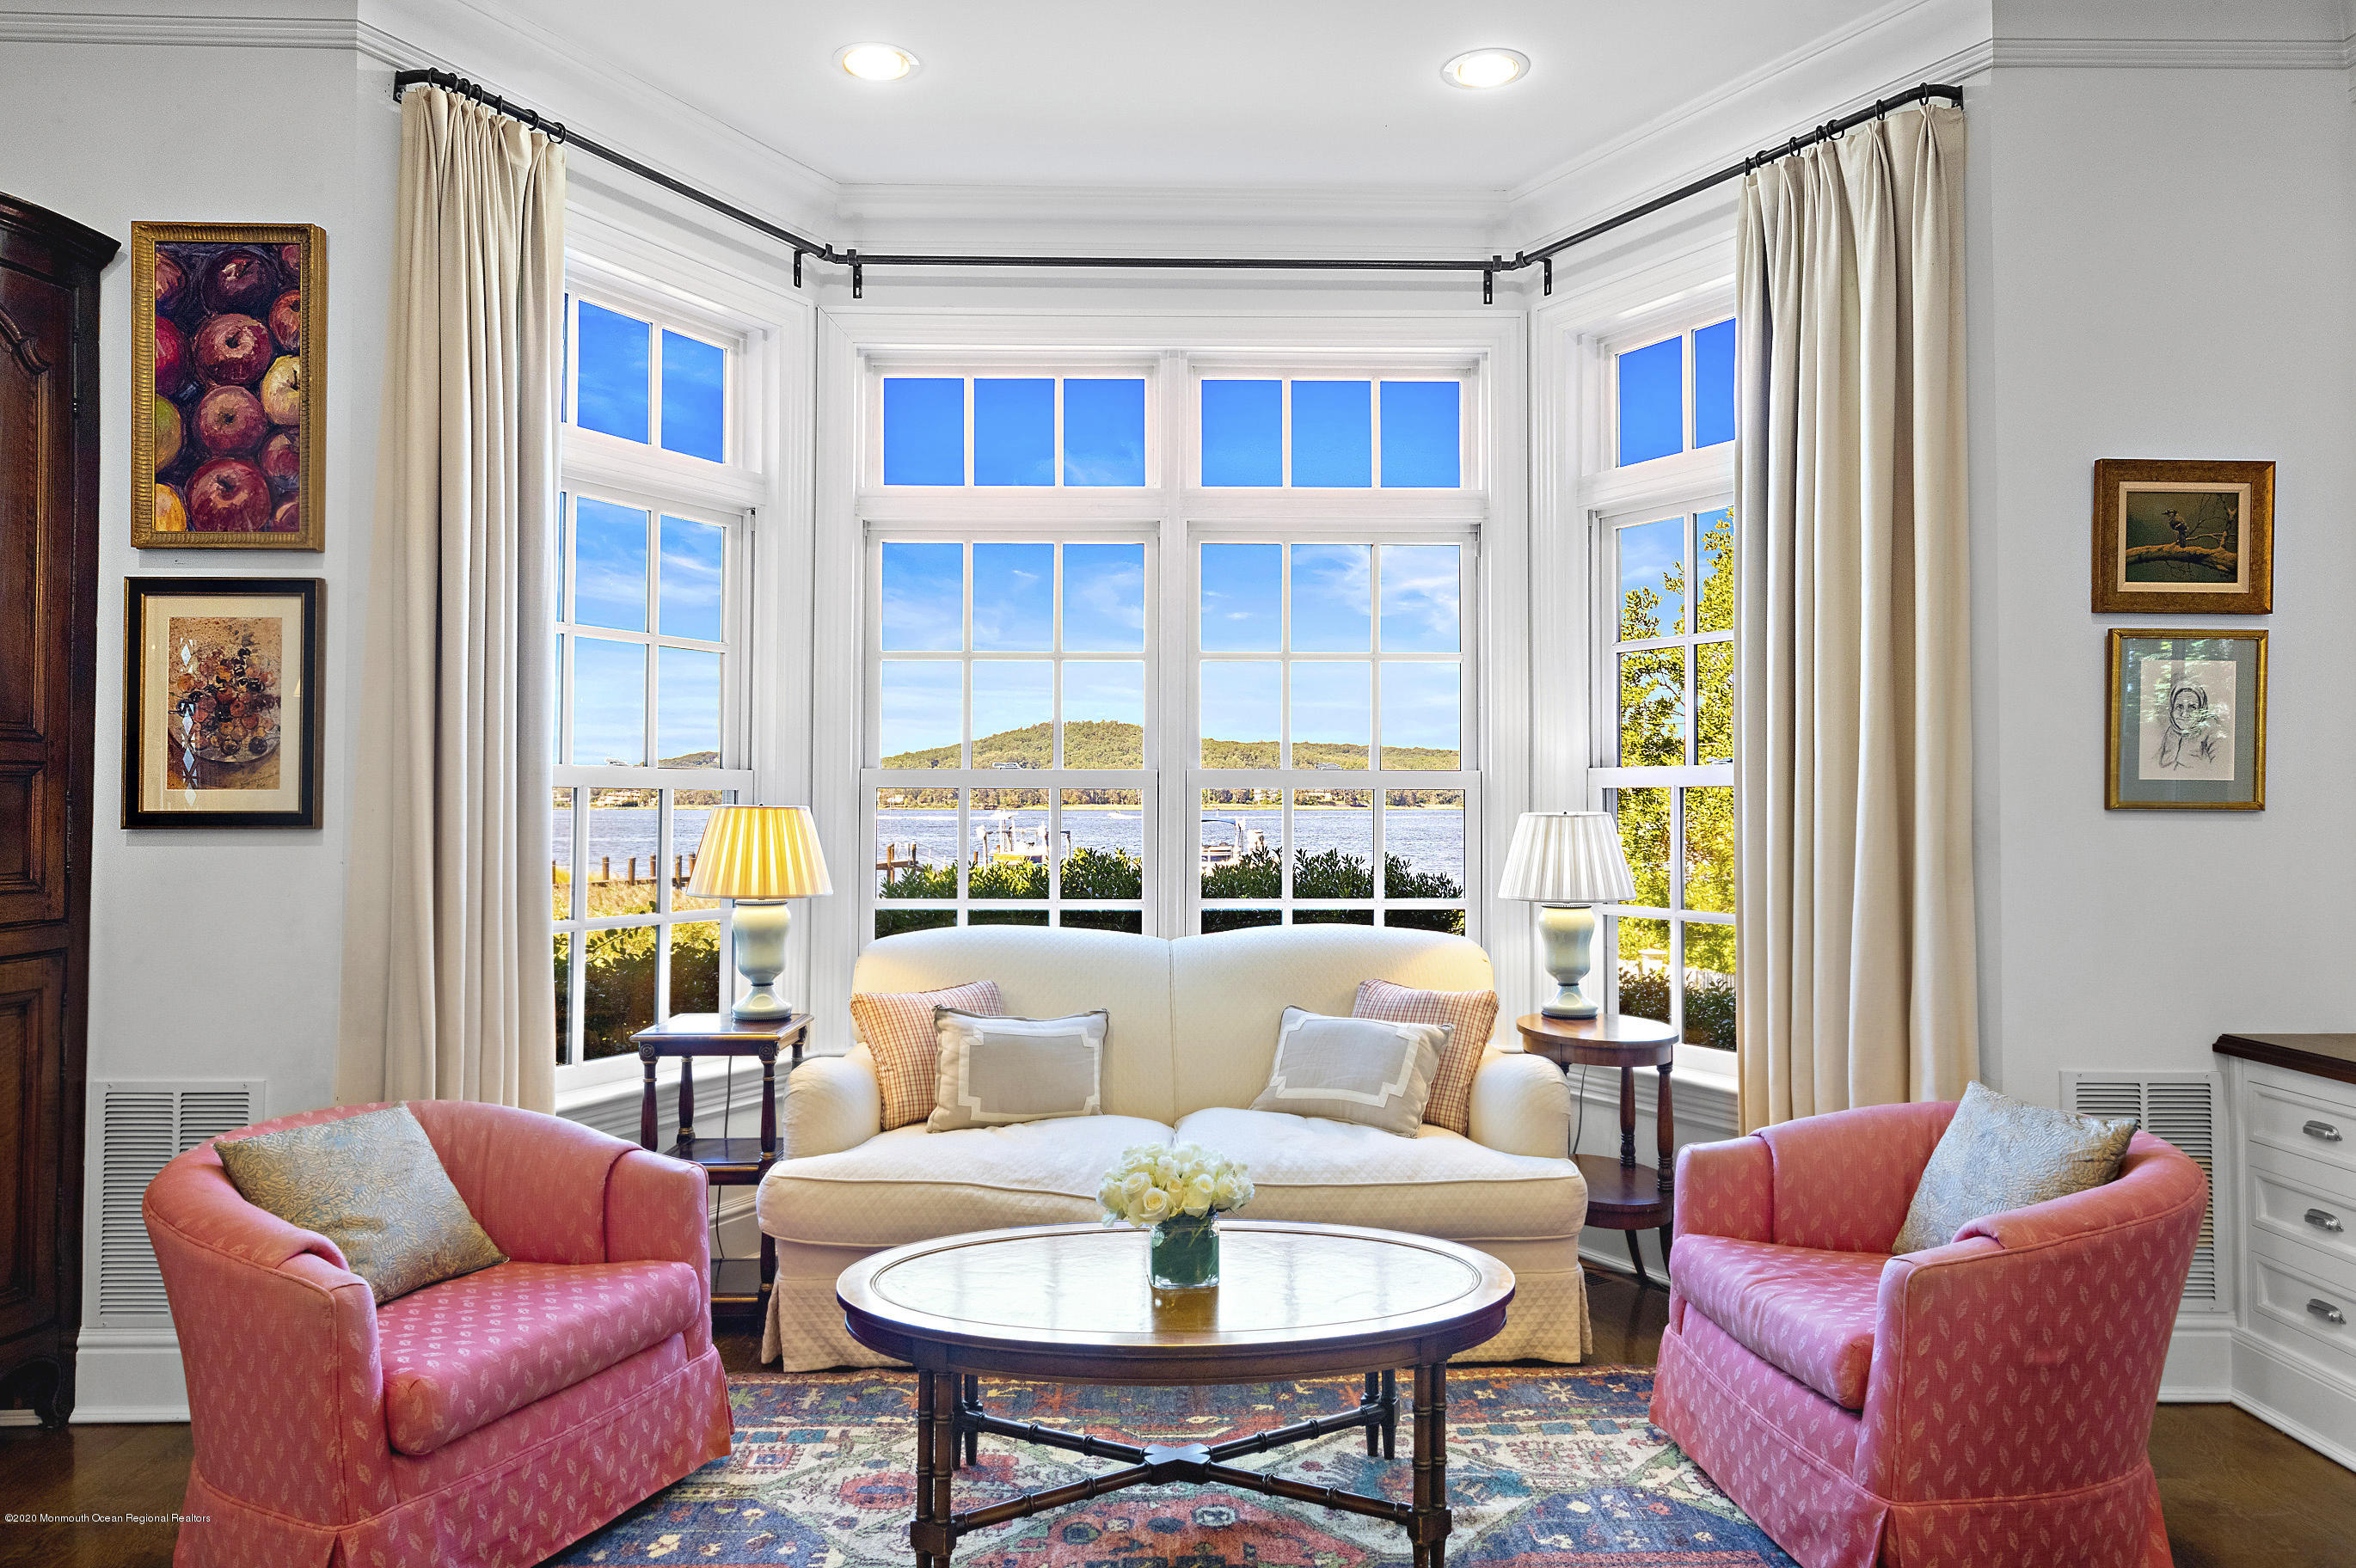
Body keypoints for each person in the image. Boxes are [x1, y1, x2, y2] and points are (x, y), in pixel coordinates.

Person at [2156, 679, 2224, 769]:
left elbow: (2220, 768)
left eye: (2192, 707)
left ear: (2202, 709)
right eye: (2179, 707)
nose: (2184, 714)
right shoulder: (2171, 731)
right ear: (2172, 709)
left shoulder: (2212, 731)